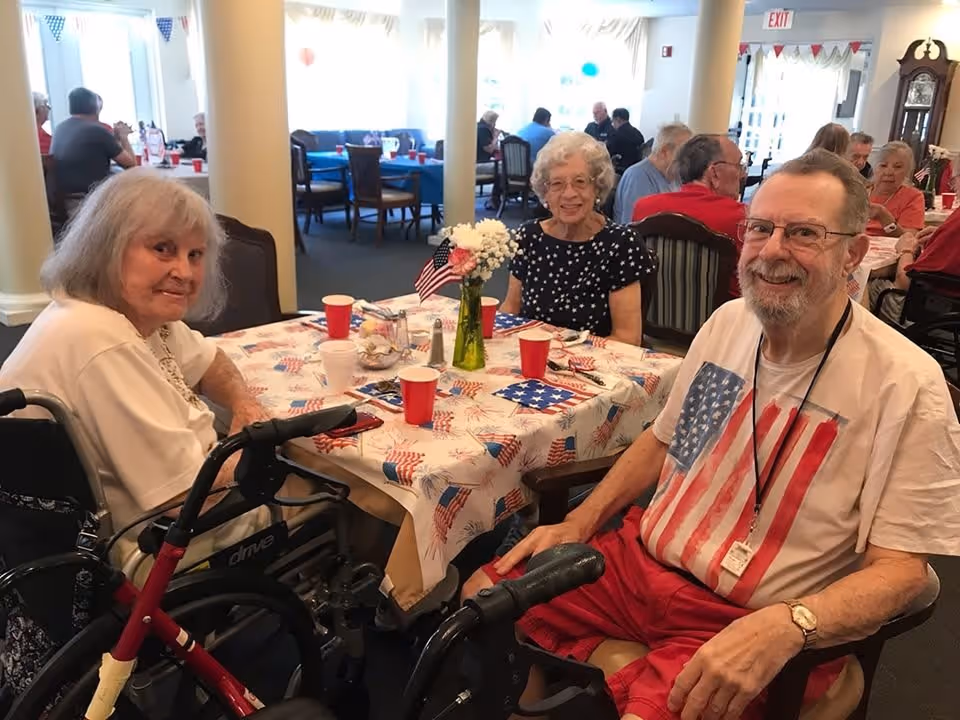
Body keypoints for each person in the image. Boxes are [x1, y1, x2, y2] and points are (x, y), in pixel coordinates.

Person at [464, 148, 960, 720]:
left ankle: (619, 670)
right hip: (638, 566)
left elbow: (903, 571)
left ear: (852, 252)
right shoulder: (728, 323)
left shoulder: (906, 384)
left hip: (746, 616)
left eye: (804, 233)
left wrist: (795, 622)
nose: (773, 250)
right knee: (481, 596)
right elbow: (662, 442)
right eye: (760, 229)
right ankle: (620, 663)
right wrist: (579, 520)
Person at [0, 169, 282, 564]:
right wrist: (247, 442)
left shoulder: (127, 313)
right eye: (163, 249)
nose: (184, 272)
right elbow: (187, 499)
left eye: (195, 255)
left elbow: (209, 360)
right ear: (106, 247)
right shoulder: (100, 340)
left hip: (149, 520)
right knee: (341, 497)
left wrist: (244, 405)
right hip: (153, 550)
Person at [501, 131, 657, 345]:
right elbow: (510, 311)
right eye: (556, 184)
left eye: (580, 181)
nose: (569, 194)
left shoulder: (620, 244)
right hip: (530, 358)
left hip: (590, 369)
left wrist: (564, 359)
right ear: (544, 192)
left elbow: (626, 339)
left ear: (597, 187)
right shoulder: (529, 237)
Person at [632, 134, 746, 294]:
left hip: (651, 316)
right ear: (715, 173)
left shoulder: (643, 208)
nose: (743, 174)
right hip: (722, 317)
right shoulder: (742, 217)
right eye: (739, 165)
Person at [868, 208, 960, 322]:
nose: (953, 188)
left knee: (862, 284)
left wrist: (906, 250)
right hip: (947, 305)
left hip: (931, 310)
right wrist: (943, 236)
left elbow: (905, 282)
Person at [49, 87, 136, 194]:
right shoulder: (97, 130)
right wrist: (124, 137)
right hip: (89, 198)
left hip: (63, 198)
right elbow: (132, 166)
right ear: (95, 108)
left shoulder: (59, 128)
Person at [613, 122, 692, 224]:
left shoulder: (675, 176)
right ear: (664, 152)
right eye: (685, 154)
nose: (689, 160)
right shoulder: (638, 177)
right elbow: (635, 227)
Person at [865, 141, 925, 237]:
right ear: (875, 168)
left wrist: (884, 217)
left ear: (907, 171)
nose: (889, 172)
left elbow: (908, 238)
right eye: (883, 165)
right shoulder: (859, 190)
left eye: (897, 167)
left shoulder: (913, 197)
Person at [605, 108, 646, 174]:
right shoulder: (638, 133)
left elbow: (606, 152)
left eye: (613, 121)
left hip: (621, 171)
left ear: (618, 119)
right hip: (635, 169)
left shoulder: (617, 135)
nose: (612, 124)